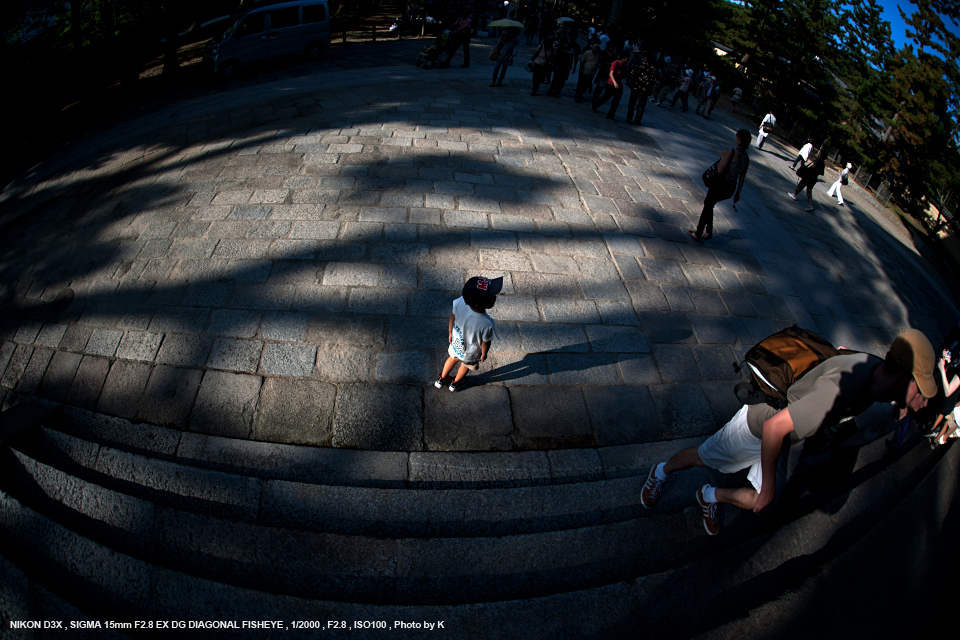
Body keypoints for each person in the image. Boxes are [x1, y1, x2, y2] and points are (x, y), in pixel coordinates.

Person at [640, 329, 936, 535]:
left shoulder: (875, 373)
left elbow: (841, 355)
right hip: (763, 424)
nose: (923, 401)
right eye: (920, 389)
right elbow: (774, 427)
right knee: (704, 457)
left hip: (793, 435)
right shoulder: (846, 389)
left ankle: (709, 495)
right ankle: (661, 471)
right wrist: (768, 485)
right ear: (900, 374)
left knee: (761, 503)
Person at [435, 276, 501, 392]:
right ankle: (455, 383)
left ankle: (441, 379)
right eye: (491, 296)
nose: (494, 297)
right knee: (465, 366)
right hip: (471, 353)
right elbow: (485, 342)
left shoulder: (461, 300)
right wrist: (484, 354)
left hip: (456, 343)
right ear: (478, 305)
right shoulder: (487, 323)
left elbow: (452, 316)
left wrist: (450, 332)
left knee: (452, 358)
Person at [688, 129, 751, 242]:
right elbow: (741, 179)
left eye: (737, 136)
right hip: (730, 188)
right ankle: (708, 232)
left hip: (720, 184)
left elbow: (720, 169)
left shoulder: (732, 152)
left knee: (708, 205)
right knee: (709, 205)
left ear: (739, 138)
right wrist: (737, 194)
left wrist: (724, 156)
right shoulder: (746, 158)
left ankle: (698, 233)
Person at [928, 348, 960, 446]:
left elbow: (948, 392)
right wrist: (949, 362)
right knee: (947, 422)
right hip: (954, 403)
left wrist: (942, 368)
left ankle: (935, 436)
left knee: (947, 422)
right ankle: (935, 438)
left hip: (951, 402)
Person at [592, 49, 629, 122]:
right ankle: (595, 105)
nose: (628, 60)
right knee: (606, 97)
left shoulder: (624, 66)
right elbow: (611, 73)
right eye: (627, 58)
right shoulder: (615, 63)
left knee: (616, 101)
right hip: (611, 84)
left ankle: (611, 115)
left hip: (619, 84)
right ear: (623, 58)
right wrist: (614, 82)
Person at [625, 48, 656, 125]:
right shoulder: (653, 69)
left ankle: (629, 117)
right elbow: (653, 81)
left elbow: (633, 74)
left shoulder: (638, 65)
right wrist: (651, 90)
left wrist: (630, 83)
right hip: (645, 89)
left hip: (636, 86)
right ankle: (637, 120)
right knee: (641, 105)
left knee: (632, 103)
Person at [548, 32, 578, 97]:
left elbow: (576, 57)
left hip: (567, 65)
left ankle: (557, 91)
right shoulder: (563, 42)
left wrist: (574, 67)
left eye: (574, 37)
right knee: (556, 77)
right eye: (572, 36)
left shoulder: (576, 46)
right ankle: (551, 88)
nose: (573, 38)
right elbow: (556, 50)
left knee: (563, 79)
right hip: (559, 62)